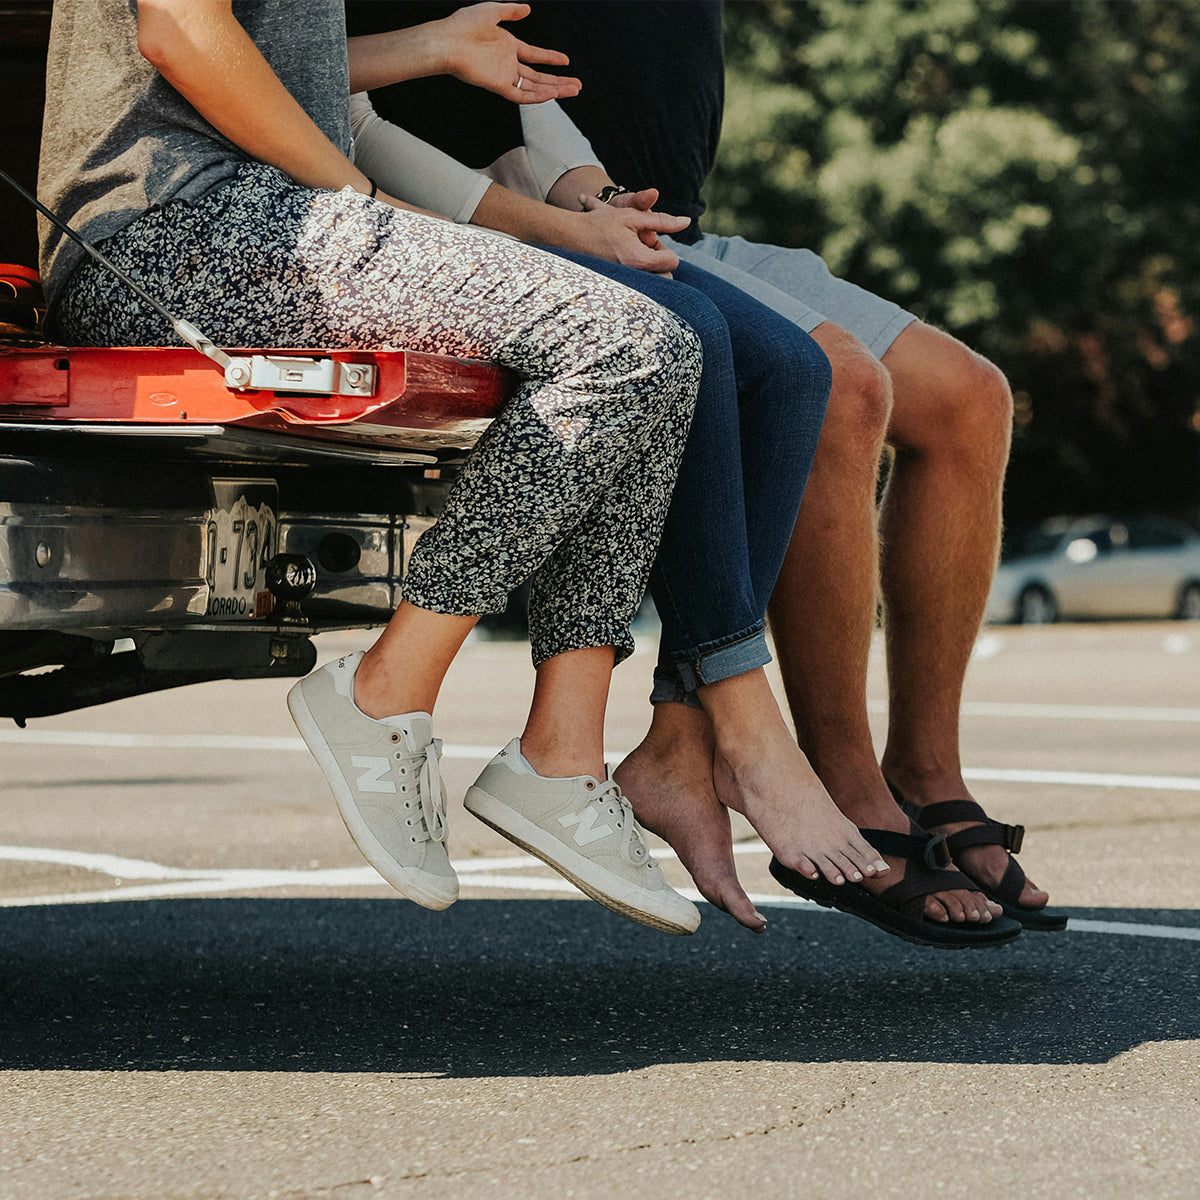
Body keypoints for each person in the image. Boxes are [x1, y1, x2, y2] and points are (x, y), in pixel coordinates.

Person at [349, 0, 1064, 939]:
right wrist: (554, 218)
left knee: (969, 399)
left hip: (635, 214)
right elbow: (359, 104)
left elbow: (515, 94)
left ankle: (917, 770)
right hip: (473, 226)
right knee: (835, 382)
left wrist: (590, 196)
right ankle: (816, 770)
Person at [38, 0, 714, 934]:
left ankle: (562, 756)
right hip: (171, 233)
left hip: (267, 216)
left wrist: (430, 49)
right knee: (626, 341)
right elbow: (179, 29)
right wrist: (353, 194)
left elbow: (280, 62)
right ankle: (385, 692)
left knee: (658, 350)